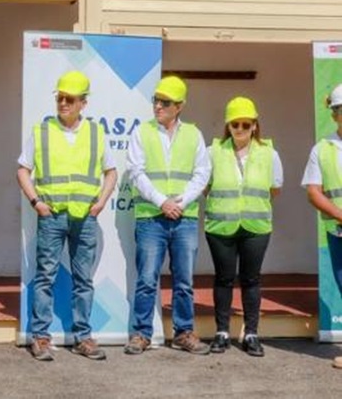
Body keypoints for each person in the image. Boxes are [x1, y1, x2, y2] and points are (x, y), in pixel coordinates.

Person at [16, 71, 117, 361]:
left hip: (85, 217)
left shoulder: (96, 133)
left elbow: (111, 172)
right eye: (59, 98)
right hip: (52, 215)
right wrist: (36, 202)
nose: (62, 103)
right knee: (45, 277)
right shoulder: (42, 131)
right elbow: (23, 169)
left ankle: (83, 337)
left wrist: (100, 202)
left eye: (69, 99)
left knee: (83, 279)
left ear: (83, 103)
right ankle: (41, 338)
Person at [124, 75, 211, 356]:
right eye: (156, 100)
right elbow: (136, 173)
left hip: (184, 217)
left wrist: (181, 202)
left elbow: (202, 173)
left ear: (180, 106)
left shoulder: (194, 134)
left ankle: (183, 333)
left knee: (184, 280)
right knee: (147, 279)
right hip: (151, 217)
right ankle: (141, 334)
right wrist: (163, 202)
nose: (158, 106)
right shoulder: (142, 132)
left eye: (165, 102)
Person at [204, 97, 282, 357]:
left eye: (245, 124)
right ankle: (222, 332)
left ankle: (251, 334)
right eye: (234, 124)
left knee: (251, 279)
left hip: (256, 226)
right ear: (228, 126)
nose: (240, 129)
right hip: (220, 226)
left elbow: (274, 188)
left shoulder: (269, 154)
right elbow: (205, 186)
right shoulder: (212, 151)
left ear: (255, 126)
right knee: (224, 278)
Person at [301, 83, 342, 370]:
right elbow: (313, 191)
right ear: (334, 114)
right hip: (338, 230)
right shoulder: (323, 149)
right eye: (339, 110)